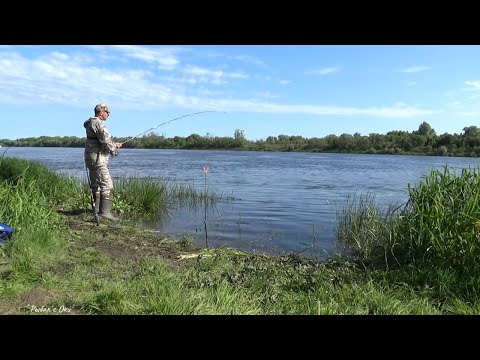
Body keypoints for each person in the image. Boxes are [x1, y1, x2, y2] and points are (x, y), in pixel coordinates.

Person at [84, 103, 123, 222]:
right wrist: (113, 150)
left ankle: (97, 211)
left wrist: (114, 144)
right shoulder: (98, 122)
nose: (108, 114)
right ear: (101, 111)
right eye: (107, 112)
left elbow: (100, 140)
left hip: (92, 157)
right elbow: (105, 139)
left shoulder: (91, 122)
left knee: (96, 185)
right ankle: (105, 213)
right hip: (98, 159)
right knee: (106, 184)